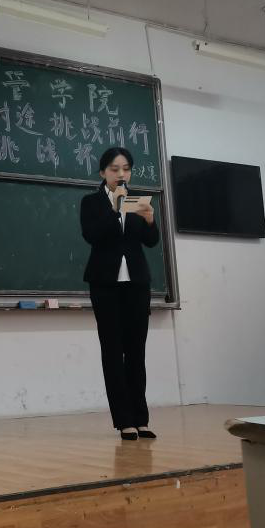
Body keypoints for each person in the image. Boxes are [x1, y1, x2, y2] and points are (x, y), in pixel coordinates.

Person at [80, 147, 160, 441]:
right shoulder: (91, 202)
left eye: (126, 169)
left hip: (137, 284)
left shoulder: (137, 201)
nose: (121, 174)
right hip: (105, 285)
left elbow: (151, 241)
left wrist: (150, 220)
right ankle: (124, 421)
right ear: (103, 172)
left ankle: (141, 419)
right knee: (113, 353)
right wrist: (115, 208)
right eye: (115, 169)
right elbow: (92, 235)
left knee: (136, 352)